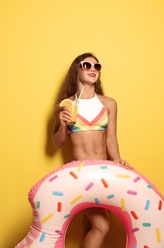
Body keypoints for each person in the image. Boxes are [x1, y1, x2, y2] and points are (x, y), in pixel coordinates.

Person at [51, 52, 132, 248]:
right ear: (76, 70)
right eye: (87, 66)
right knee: (102, 226)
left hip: (104, 172)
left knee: (89, 226)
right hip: (81, 173)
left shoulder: (108, 103)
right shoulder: (65, 106)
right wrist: (62, 125)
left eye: (97, 66)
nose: (93, 69)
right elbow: (56, 143)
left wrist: (118, 160)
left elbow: (111, 138)